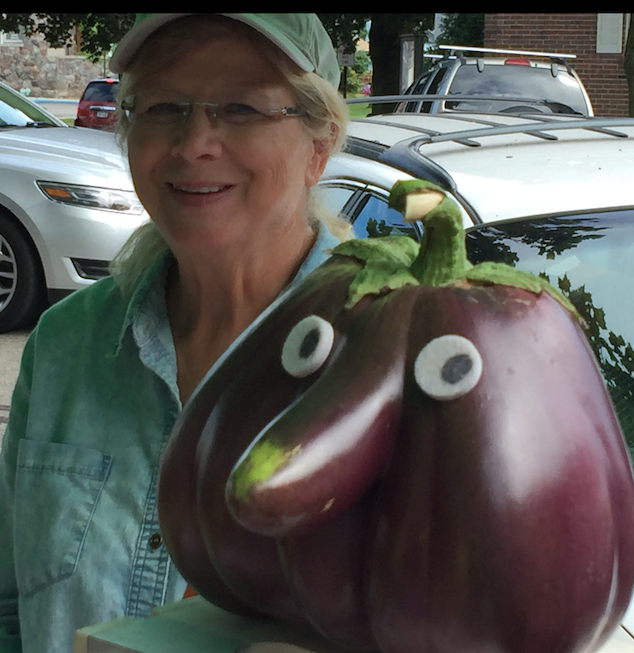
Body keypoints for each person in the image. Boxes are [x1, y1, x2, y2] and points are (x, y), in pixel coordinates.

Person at [0, 13, 349, 653]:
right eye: (162, 107)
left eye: (241, 107)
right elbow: (8, 605)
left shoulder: (390, 359)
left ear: (319, 142)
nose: (193, 144)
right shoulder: (66, 344)